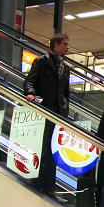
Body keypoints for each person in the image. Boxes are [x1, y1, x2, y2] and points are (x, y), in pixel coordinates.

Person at [23, 33, 71, 197]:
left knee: (52, 151)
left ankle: (49, 186)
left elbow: (66, 92)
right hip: (44, 111)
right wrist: (30, 93)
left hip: (57, 114)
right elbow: (30, 80)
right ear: (56, 45)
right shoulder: (42, 61)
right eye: (64, 44)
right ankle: (38, 183)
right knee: (42, 149)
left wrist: (65, 109)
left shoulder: (65, 68)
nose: (67, 47)